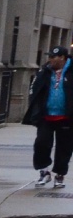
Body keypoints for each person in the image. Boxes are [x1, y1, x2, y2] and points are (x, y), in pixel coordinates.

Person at [24, 44, 73, 189]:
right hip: (46, 115)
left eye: (53, 57)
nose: (50, 59)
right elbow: (35, 90)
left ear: (62, 58)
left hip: (67, 117)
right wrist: (35, 111)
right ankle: (44, 171)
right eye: (49, 56)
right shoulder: (45, 71)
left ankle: (59, 174)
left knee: (64, 148)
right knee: (41, 143)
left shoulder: (71, 72)